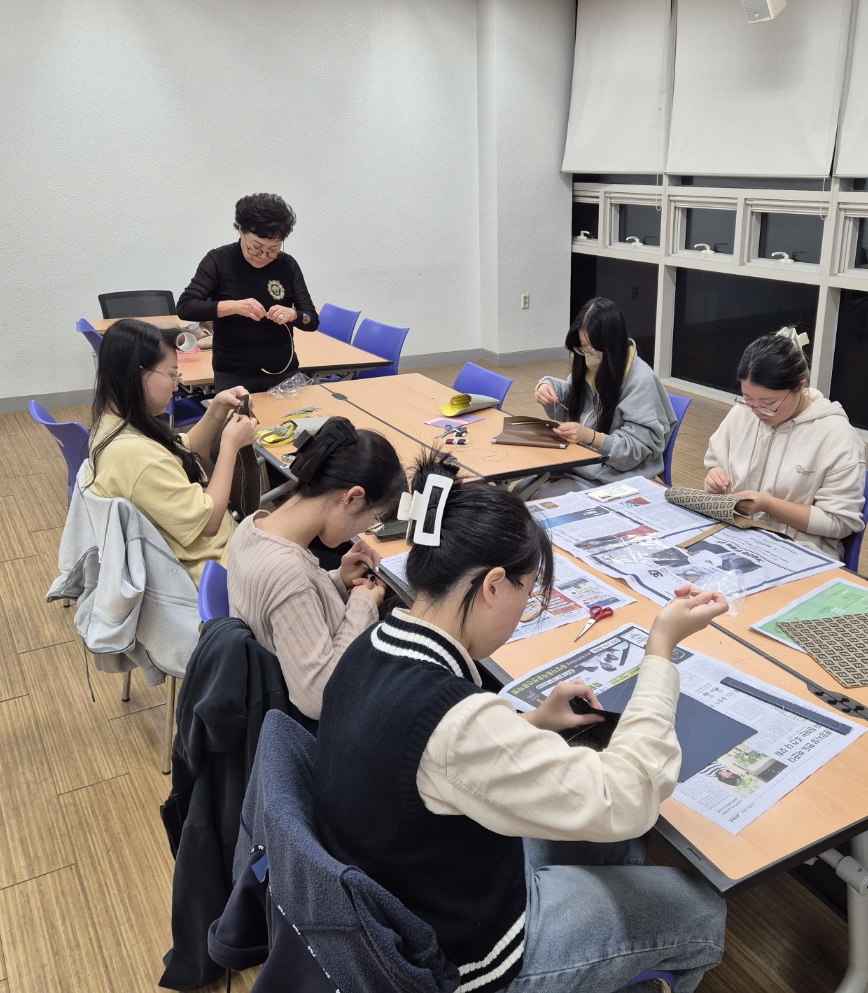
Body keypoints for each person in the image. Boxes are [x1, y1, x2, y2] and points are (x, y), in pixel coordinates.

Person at [313, 454, 729, 992]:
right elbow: (627, 794)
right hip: (459, 952)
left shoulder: (373, 642)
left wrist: (533, 721)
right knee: (702, 910)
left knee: (619, 847)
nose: (524, 609)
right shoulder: (457, 723)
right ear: (492, 585)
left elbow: (428, 757)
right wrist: (660, 651)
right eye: (528, 593)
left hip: (410, 885)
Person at [227, 417, 407, 720]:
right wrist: (362, 606)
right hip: (302, 722)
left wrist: (338, 580)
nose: (366, 529)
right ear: (352, 497)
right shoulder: (288, 573)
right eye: (374, 518)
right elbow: (318, 699)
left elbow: (289, 608)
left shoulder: (254, 524)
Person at [85, 319, 257, 584]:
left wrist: (217, 408)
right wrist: (230, 446)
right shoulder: (135, 456)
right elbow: (209, 522)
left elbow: (183, 449)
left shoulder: (113, 423)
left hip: (213, 547)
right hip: (212, 565)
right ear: (138, 373)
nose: (176, 386)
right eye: (172, 375)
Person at [703, 327, 867, 561]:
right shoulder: (742, 414)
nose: (758, 411)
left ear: (800, 386)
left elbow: (839, 523)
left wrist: (768, 505)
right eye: (748, 399)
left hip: (798, 550)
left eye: (769, 402)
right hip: (735, 533)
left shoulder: (837, 436)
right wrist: (714, 476)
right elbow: (715, 461)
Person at [177, 193, 320, 393]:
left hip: (284, 372)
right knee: (240, 414)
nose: (263, 256)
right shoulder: (218, 260)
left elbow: (311, 320)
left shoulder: (287, 265)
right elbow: (186, 307)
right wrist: (234, 307)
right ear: (240, 230)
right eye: (256, 248)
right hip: (234, 375)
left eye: (273, 250)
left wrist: (293, 314)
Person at [535, 297, 677, 490]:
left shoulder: (640, 380)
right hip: (578, 463)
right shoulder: (590, 364)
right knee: (524, 490)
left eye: (592, 348)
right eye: (583, 346)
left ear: (611, 345)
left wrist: (591, 437)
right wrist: (547, 387)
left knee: (537, 497)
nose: (587, 354)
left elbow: (635, 450)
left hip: (615, 477)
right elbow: (575, 399)